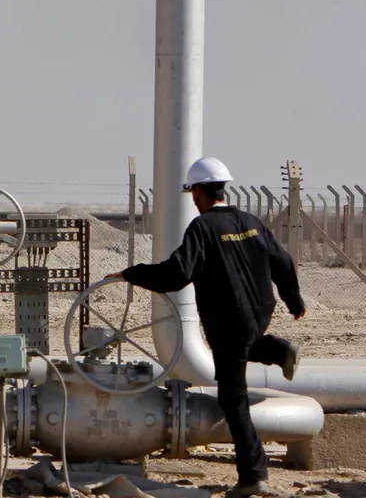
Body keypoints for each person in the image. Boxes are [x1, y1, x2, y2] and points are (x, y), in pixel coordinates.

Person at [106, 156, 306, 498]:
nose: (193, 199)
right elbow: (283, 261)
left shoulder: (202, 228)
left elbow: (177, 273)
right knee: (245, 344)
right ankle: (276, 349)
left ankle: (253, 475)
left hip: (229, 320)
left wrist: (133, 273)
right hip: (259, 313)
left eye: (192, 192)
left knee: (233, 398)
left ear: (198, 191)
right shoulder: (250, 220)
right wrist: (294, 302)